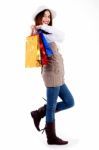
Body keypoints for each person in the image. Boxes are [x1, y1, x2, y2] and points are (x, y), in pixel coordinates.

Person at [30, 5, 75, 145]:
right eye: (44, 15)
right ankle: (51, 137)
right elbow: (61, 36)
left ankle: (39, 113)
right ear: (39, 17)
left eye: (49, 16)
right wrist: (39, 27)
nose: (47, 19)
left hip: (59, 75)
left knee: (69, 101)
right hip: (51, 75)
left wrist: (42, 26)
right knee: (51, 107)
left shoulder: (46, 31)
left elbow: (60, 36)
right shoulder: (41, 33)